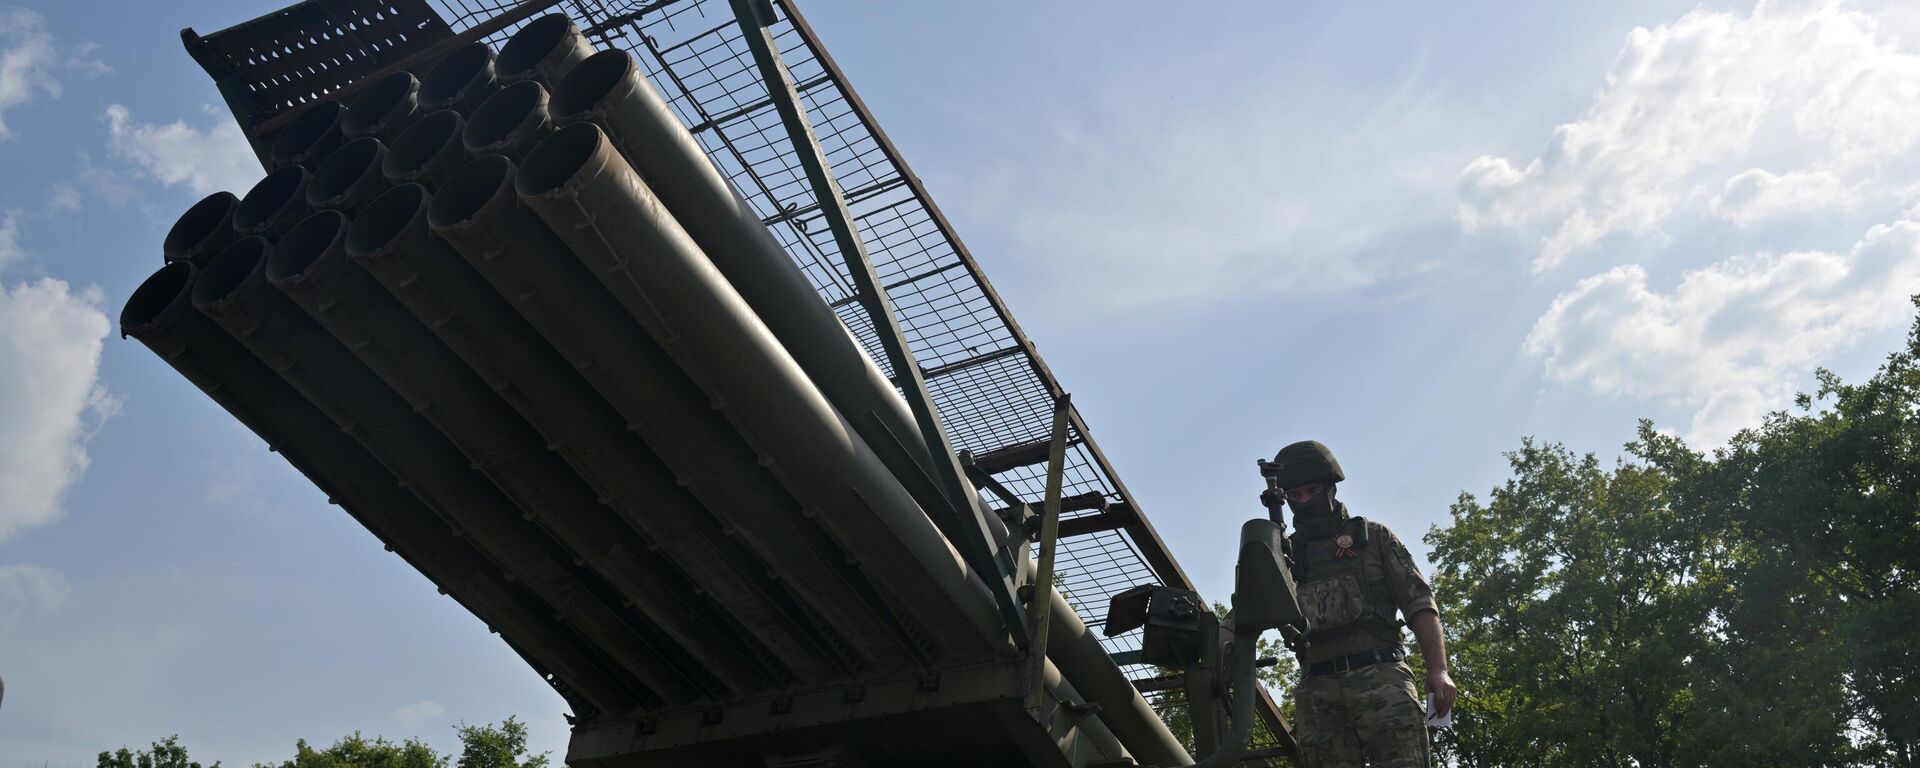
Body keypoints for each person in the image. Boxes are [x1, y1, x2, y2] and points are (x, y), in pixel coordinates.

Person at [1266, 440, 1456, 767]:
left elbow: (1419, 603)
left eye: (1312, 490)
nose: (1305, 501)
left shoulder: (1374, 537)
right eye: (1295, 495)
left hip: (1383, 678)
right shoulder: (1285, 555)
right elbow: (1248, 609)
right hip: (1317, 691)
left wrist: (1439, 671)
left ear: (1330, 488)